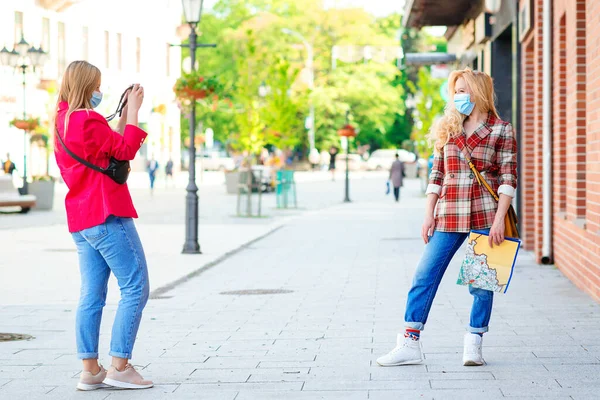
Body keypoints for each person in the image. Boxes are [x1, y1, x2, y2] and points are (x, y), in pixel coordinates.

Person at [377, 68, 517, 367]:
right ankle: (409, 343)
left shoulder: (501, 129)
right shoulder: (448, 127)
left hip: (485, 213)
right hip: (449, 213)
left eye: (463, 90)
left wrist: (498, 220)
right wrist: (428, 214)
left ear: (479, 93)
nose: (458, 96)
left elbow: (508, 178)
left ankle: (474, 343)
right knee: (424, 275)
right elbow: (437, 174)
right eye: (456, 91)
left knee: (482, 283)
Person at [53, 60, 153, 390]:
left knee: (91, 294)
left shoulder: (61, 121)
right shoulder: (88, 119)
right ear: (85, 86)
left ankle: (90, 370)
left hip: (81, 219)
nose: (99, 91)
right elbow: (124, 150)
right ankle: (120, 366)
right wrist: (136, 110)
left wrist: (123, 112)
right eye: (96, 86)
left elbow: (108, 145)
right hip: (106, 213)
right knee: (136, 287)